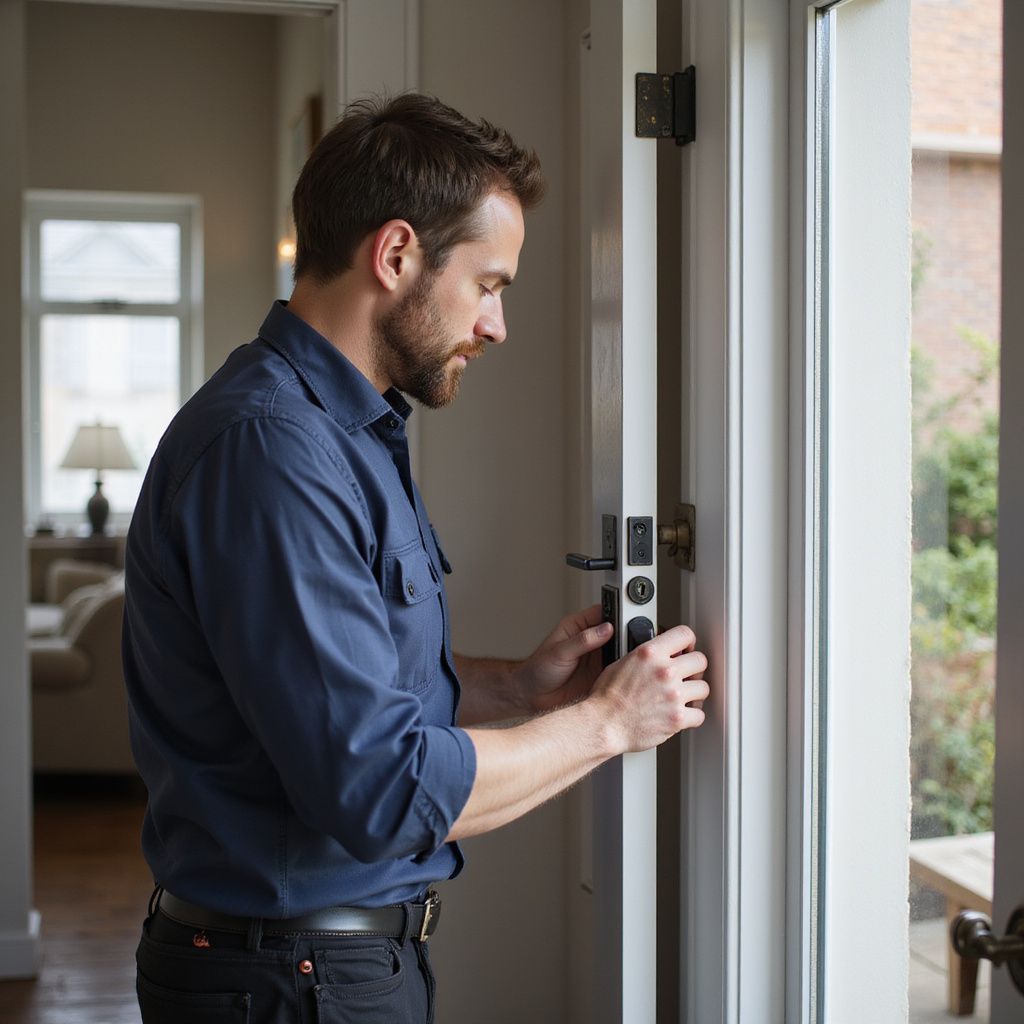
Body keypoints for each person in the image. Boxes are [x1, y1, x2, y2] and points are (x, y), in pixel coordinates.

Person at [123, 92, 709, 1024]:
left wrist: (520, 689)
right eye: (489, 284)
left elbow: (342, 695)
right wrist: (609, 723)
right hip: (288, 985)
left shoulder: (336, 435)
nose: (496, 326)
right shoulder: (273, 451)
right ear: (396, 255)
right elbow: (381, 790)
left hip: (316, 971)